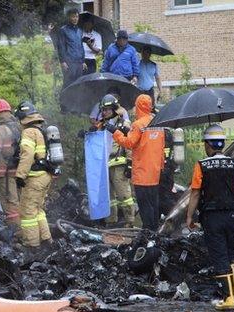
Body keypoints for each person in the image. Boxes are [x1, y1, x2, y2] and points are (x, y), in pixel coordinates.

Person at [185, 124, 234, 310]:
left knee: (219, 256)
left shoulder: (201, 165)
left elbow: (195, 193)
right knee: (230, 252)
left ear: (208, 145)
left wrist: (189, 217)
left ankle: (228, 298)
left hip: (213, 217)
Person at [108, 94, 165, 231]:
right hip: (155, 173)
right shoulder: (158, 123)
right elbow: (151, 142)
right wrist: (127, 131)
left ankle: (147, 234)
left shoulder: (138, 124)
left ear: (139, 106)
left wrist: (115, 132)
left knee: (145, 207)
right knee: (153, 206)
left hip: (142, 174)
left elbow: (129, 143)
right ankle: (155, 233)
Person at [14, 101, 53, 248]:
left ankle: (32, 244)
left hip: (35, 177)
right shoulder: (40, 130)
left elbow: (28, 154)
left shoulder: (29, 132)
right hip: (45, 175)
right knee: (38, 209)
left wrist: (20, 175)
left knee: (27, 211)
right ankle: (46, 239)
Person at [94, 94, 134, 227]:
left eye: (107, 109)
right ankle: (111, 221)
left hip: (119, 164)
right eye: (103, 110)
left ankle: (130, 221)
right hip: (104, 165)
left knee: (124, 196)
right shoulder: (101, 124)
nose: (104, 112)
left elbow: (129, 142)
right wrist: (87, 135)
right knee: (109, 197)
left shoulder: (123, 123)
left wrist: (130, 163)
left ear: (114, 109)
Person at [0, 99, 21, 232]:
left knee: (9, 201)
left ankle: (15, 232)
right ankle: (25, 229)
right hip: (21, 172)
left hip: (6, 173)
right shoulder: (19, 127)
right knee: (19, 200)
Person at [57, 9, 86, 90]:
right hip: (69, 63)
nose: (75, 19)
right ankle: (63, 102)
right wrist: (63, 61)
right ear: (69, 17)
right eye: (73, 17)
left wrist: (83, 61)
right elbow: (61, 46)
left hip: (79, 63)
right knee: (68, 84)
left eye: (77, 16)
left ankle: (76, 102)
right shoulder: (63, 30)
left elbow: (81, 46)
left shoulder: (80, 31)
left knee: (78, 84)